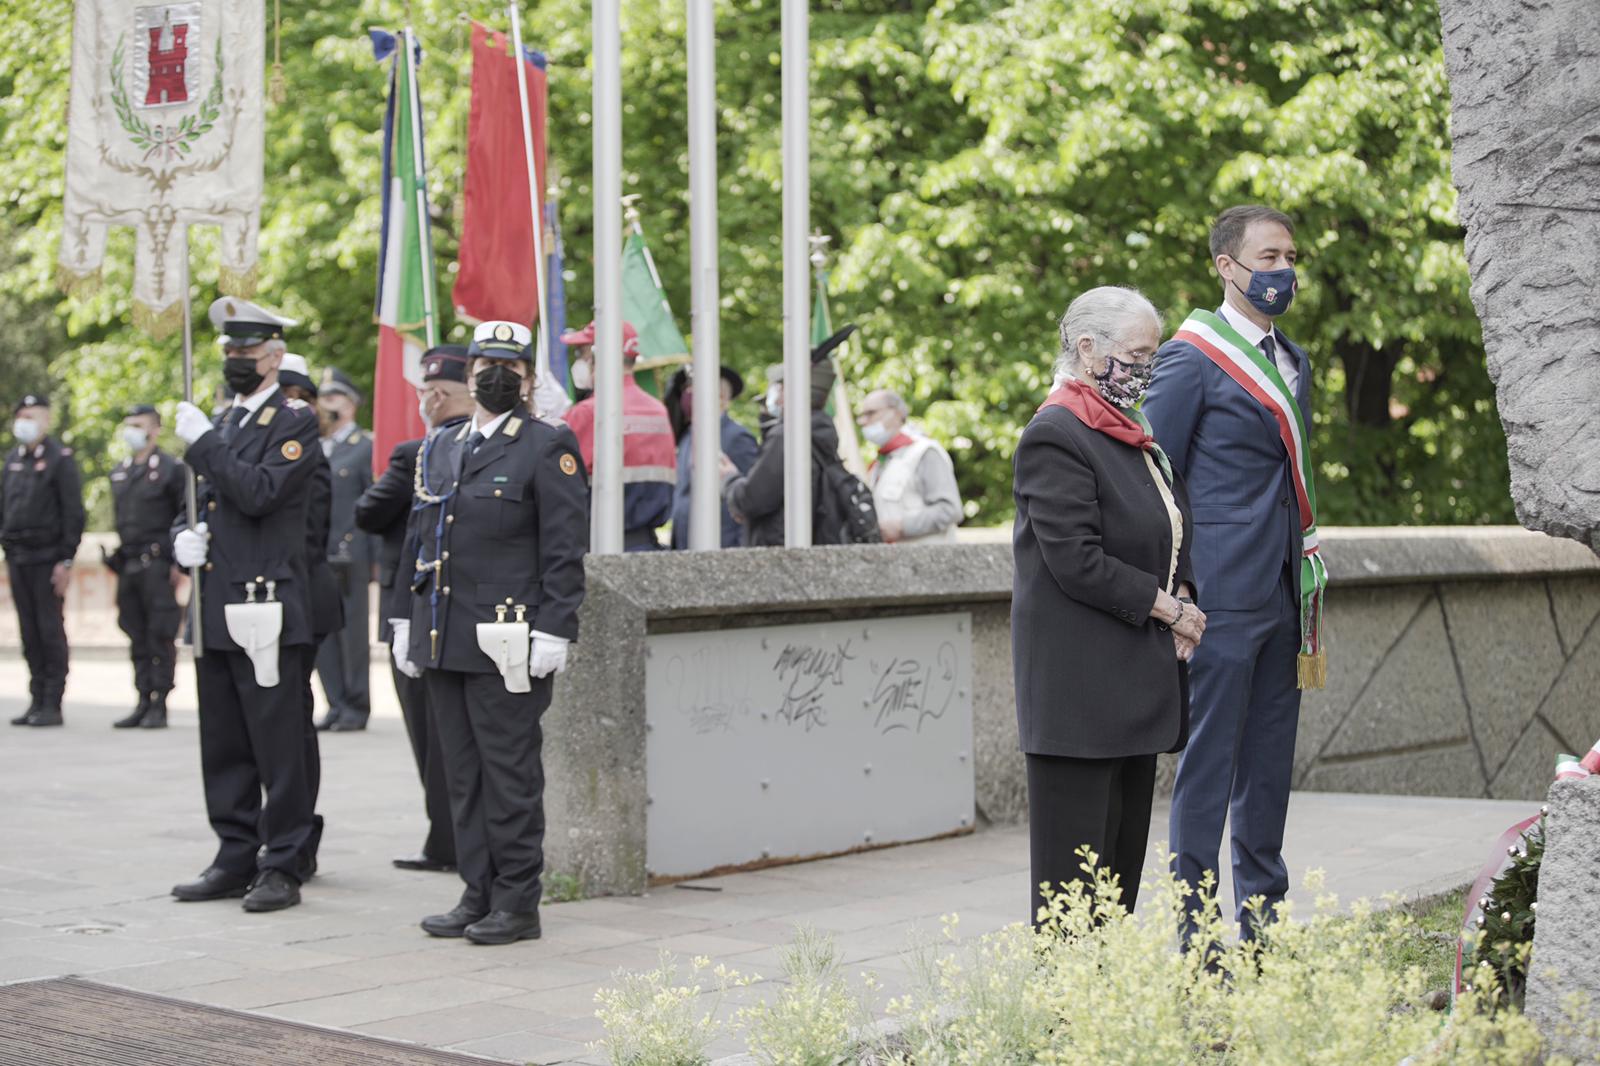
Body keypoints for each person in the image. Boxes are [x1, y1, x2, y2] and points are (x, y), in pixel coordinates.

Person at [1143, 204, 1325, 944]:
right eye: (1268, 258)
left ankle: (1263, 927)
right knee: (1210, 767)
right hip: (1216, 598)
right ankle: (1195, 933)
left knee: (1268, 770)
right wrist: (1177, 585)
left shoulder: (1293, 359)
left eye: (1289, 258)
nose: (1283, 271)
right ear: (1227, 266)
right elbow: (1156, 477)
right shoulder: (1191, 356)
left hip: (1285, 594)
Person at [1012, 286, 1203, 926]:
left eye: (1154, 353)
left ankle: (1107, 1013)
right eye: (1137, 354)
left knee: (1115, 885)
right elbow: (1076, 560)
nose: (1147, 369)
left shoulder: (1130, 435)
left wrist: (1184, 590)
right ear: (1087, 348)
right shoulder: (1057, 432)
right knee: (1073, 889)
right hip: (1079, 696)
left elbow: (1171, 529)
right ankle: (1069, 1018)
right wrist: (1166, 610)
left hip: (1130, 692)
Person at [408, 320, 588, 945]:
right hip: (445, 635)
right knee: (461, 774)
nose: (497, 377)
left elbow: (564, 549)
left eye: (511, 369)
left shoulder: (546, 444)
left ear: (529, 379)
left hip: (510, 638)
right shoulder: (442, 444)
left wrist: (556, 628)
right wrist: (408, 617)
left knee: (509, 774)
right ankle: (476, 891)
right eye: (486, 364)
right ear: (468, 372)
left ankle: (517, 902)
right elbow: (423, 536)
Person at [168, 297, 320, 914]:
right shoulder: (222, 421)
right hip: (217, 598)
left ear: (275, 357)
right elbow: (207, 502)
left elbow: (257, 493)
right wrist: (184, 538)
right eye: (230, 352)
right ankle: (234, 852)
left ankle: (282, 860)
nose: (236, 362)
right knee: (224, 738)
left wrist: (203, 445)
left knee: (278, 741)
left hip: (267, 604)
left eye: (248, 353)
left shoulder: (293, 421)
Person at [354, 344, 473, 874]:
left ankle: (445, 842)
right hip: (455, 609)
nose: (426, 400)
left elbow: (368, 512)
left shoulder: (415, 455)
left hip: (415, 605)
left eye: (431, 392)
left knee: (431, 735)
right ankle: (450, 839)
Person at [276, 353, 338, 878]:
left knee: (292, 720)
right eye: (284, 395)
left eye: (301, 397)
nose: (292, 405)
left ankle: (299, 836)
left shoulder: (309, 456)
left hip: (300, 599)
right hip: (268, 598)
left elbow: (306, 538)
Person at [721, 328, 853, 547]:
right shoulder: (819, 430)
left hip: (781, 552)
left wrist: (730, 480)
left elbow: (753, 499)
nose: (773, 395)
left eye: (779, 387)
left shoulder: (789, 436)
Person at [3, 394, 84, 728]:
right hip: (18, 557)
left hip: (47, 557)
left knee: (49, 630)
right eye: (21, 415)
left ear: (46, 420)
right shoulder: (12, 460)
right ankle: (36, 697)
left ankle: (53, 700)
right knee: (29, 631)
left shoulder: (60, 459)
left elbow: (73, 513)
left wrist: (65, 559)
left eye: (32, 415)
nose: (25, 421)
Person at [560, 319, 676, 551]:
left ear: (597, 354)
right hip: (646, 546)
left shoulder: (588, 413)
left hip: (595, 547)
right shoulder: (658, 410)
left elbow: (556, 490)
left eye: (580, 353)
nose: (579, 362)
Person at [107, 404, 186, 729]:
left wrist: (178, 564)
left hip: (158, 564)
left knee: (160, 634)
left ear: (155, 429)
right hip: (128, 565)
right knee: (135, 632)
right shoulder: (121, 470)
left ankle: (160, 702)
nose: (132, 431)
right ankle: (142, 698)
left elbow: (183, 516)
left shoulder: (170, 469)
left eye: (138, 425)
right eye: (129, 424)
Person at [314, 367, 375, 731]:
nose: (325, 404)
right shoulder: (317, 447)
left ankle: (356, 704)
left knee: (352, 636)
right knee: (322, 634)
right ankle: (334, 702)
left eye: (333, 397)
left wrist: (371, 556)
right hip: (318, 554)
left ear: (350, 405)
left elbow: (372, 503)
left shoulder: (365, 447)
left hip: (350, 553)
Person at [665, 365, 759, 549]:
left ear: (721, 398)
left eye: (695, 389)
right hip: (685, 545)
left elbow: (746, 499)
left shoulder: (736, 437)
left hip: (720, 548)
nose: (688, 394)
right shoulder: (687, 436)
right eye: (688, 389)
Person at [858, 390, 962, 544]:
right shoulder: (880, 463)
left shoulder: (924, 452)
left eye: (871, 413)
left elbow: (950, 510)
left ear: (896, 414)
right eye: (861, 415)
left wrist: (902, 526)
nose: (862, 421)